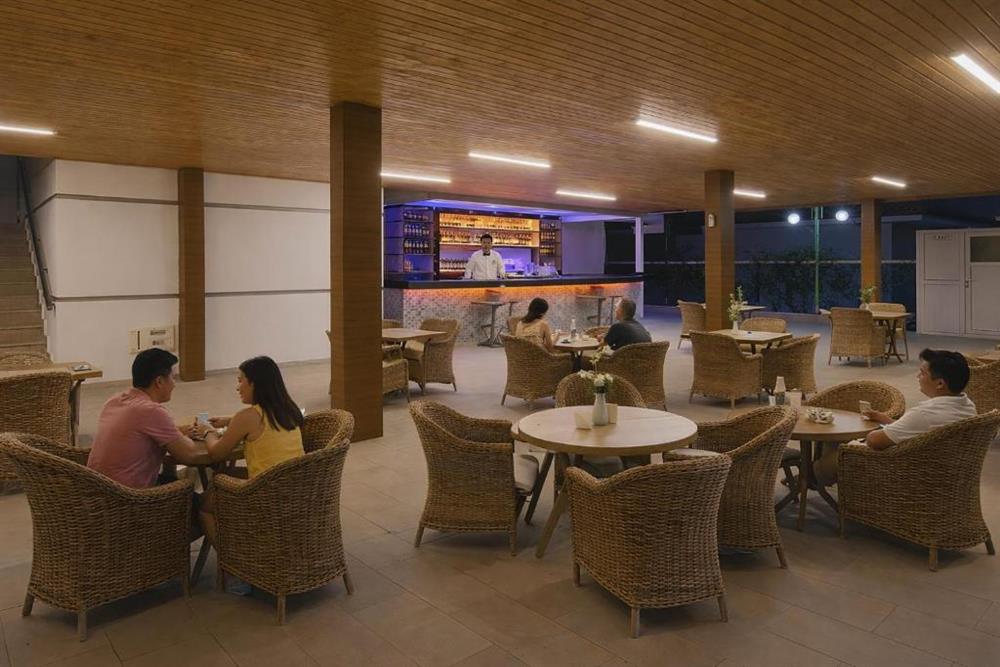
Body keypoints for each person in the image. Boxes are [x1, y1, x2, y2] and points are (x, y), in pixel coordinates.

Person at [814, 348, 977, 485]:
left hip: (901, 470)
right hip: (940, 470)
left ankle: (811, 477)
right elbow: (917, 432)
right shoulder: (968, 406)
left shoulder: (924, 414)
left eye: (922, 373)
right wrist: (884, 419)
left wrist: (868, 434)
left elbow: (874, 441)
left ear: (940, 383)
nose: (917, 377)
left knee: (840, 450)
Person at [198, 356, 305, 544]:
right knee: (225, 474)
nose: (237, 387)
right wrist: (230, 420)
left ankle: (229, 555)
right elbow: (259, 422)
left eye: (240, 381)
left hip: (263, 492)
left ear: (254, 384)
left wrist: (207, 431)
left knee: (204, 506)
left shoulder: (247, 417)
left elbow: (216, 453)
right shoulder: (288, 409)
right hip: (296, 487)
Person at [87, 348, 207, 488]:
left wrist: (179, 432)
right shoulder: (150, 411)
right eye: (173, 377)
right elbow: (189, 455)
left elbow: (139, 434)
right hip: (130, 496)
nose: (174, 384)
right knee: (201, 487)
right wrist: (208, 432)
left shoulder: (114, 401)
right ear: (159, 381)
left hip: (95, 490)